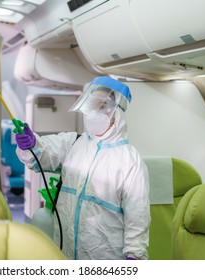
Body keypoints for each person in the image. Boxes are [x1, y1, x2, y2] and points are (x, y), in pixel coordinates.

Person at [15, 76, 150, 260]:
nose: (94, 112)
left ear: (116, 113)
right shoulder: (74, 143)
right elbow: (42, 153)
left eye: (102, 106)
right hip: (65, 251)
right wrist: (30, 144)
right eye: (92, 105)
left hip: (106, 258)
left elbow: (138, 217)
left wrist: (134, 255)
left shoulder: (130, 161)